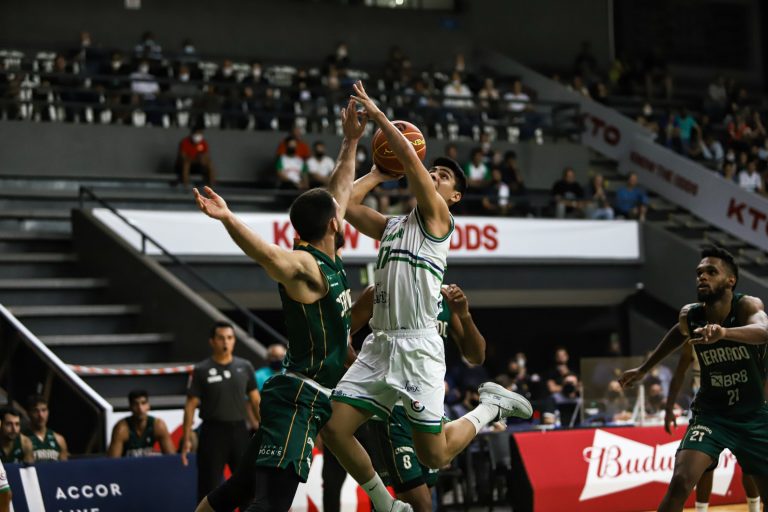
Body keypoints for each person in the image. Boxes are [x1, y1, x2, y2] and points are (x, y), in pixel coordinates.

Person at [321, 81, 532, 512]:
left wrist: (380, 118)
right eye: (431, 170)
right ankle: (384, 503)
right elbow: (341, 206)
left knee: (434, 455)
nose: (433, 174)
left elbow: (412, 165)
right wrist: (378, 172)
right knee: (334, 428)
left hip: (418, 347)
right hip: (379, 345)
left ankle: (490, 408)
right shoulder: (392, 226)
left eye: (443, 176)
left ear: (454, 197)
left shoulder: (440, 220)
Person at [192, 99, 404, 512]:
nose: (342, 212)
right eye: (338, 214)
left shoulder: (329, 254)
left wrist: (351, 142)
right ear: (333, 224)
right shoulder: (306, 266)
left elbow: (340, 189)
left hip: (306, 396)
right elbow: (269, 256)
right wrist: (228, 219)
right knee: (272, 504)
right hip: (298, 399)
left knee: (236, 493)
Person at [618, 245, 768, 511]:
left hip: (753, 415)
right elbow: (679, 331)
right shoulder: (692, 315)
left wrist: (724, 333)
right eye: (699, 272)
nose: (703, 276)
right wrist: (643, 368)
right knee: (681, 481)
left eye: (711, 272)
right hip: (711, 415)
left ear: (730, 280)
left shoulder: (747, 306)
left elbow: (764, 330)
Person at [664, 342, 762, 512]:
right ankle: (701, 510)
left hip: (742, 407)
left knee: (750, 464)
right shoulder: (693, 338)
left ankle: (754, 509)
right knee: (703, 465)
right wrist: (668, 408)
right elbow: (679, 373)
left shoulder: (743, 334)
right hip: (708, 411)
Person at [182, 321, 261, 502]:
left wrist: (266, 429)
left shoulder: (245, 366)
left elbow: (256, 400)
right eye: (221, 338)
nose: (226, 342)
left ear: (234, 341)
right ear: (212, 341)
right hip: (212, 433)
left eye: (230, 338)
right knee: (208, 487)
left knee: (248, 486)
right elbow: (190, 406)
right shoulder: (201, 369)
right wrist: (186, 438)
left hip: (239, 431)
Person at [108, 390, 176, 457]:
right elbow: (113, 461)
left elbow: (172, 457)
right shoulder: (121, 429)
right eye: (136, 404)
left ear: (148, 406)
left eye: (143, 403)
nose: (140, 408)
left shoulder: (158, 426)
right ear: (130, 407)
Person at [24, 395, 68, 462]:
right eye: (36, 411)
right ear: (28, 413)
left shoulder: (59, 440)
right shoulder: (22, 440)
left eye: (44, 410)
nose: (41, 415)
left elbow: (65, 467)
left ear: (48, 412)